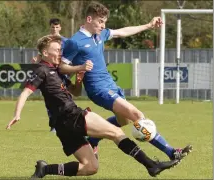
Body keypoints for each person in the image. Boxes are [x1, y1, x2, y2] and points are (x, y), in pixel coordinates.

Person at [6, 35, 179, 179]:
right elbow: (25, 93)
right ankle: (151, 165)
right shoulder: (41, 70)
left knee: (90, 167)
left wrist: (79, 80)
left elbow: (75, 92)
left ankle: (45, 169)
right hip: (70, 115)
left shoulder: (56, 71)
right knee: (116, 132)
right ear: (45, 52)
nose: (61, 52)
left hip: (62, 126)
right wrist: (17, 114)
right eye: (57, 50)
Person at [59, 2, 192, 160]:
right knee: (137, 114)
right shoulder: (75, 41)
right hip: (98, 90)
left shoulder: (99, 35)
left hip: (111, 85)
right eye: (100, 21)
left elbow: (122, 32)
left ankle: (93, 139)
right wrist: (79, 67)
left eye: (104, 22)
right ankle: (171, 152)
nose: (103, 25)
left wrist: (148, 25)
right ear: (89, 19)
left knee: (125, 120)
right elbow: (61, 67)